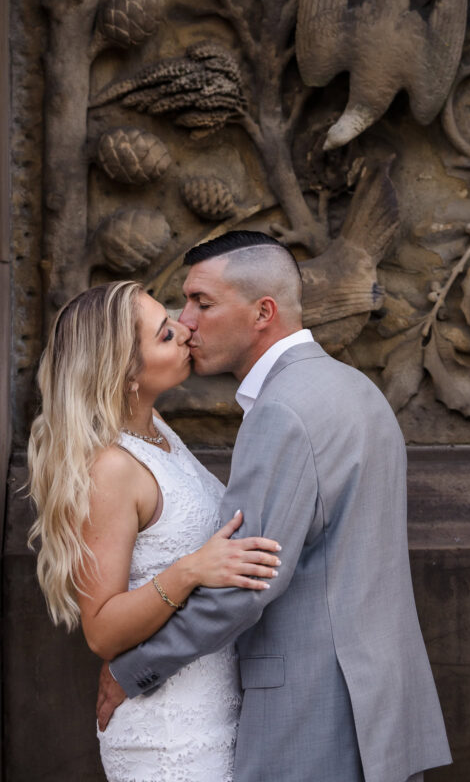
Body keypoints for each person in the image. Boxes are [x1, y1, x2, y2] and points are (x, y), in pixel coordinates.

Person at [100, 231, 451, 782]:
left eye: (203, 302)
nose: (186, 321)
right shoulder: (356, 388)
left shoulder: (282, 411)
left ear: (263, 311)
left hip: (314, 714)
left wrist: (134, 671)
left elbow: (246, 583)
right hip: (380, 703)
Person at [27, 281, 282, 781]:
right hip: (168, 739)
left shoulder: (156, 429)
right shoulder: (110, 469)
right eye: (166, 334)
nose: (187, 330)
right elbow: (101, 630)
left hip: (215, 712)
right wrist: (191, 571)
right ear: (125, 376)